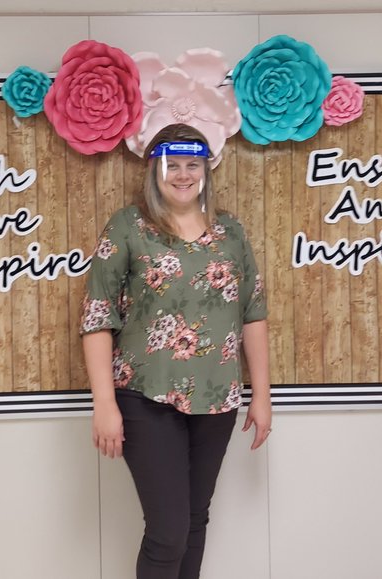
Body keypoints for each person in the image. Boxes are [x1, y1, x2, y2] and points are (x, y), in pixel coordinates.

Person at [80, 123, 272, 579]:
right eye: (173, 165)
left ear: (206, 169)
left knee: (193, 522)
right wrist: (103, 403)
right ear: (155, 169)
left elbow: (253, 313)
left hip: (217, 399)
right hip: (146, 396)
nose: (183, 174)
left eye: (193, 164)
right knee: (167, 531)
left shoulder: (230, 231)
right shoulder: (127, 226)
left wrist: (261, 395)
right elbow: (96, 316)